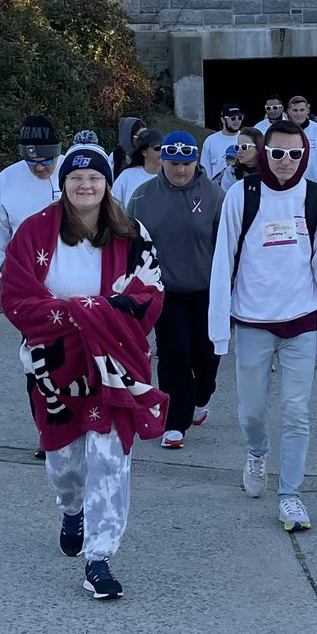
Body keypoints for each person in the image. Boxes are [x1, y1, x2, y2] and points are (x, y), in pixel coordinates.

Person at [1, 145, 167, 600]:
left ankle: (99, 558)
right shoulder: (35, 232)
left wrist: (99, 314)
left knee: (109, 456)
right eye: (76, 178)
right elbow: (16, 296)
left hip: (112, 360)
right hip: (55, 362)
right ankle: (71, 508)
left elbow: (151, 291)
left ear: (107, 183)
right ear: (64, 184)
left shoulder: (131, 233)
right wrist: (77, 315)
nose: (85, 185)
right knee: (64, 460)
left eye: (94, 177)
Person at [208, 120, 317, 532]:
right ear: (263, 153)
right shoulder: (241, 195)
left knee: (297, 412)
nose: (286, 161)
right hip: (252, 322)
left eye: (295, 154)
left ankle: (290, 495)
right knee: (251, 411)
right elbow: (222, 262)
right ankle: (256, 452)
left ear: (306, 155)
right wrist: (219, 330)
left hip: (302, 323)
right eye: (278, 153)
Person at [127, 132, 226, 449]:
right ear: (162, 161)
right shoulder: (142, 197)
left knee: (206, 356)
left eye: (186, 164)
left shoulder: (215, 196)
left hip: (205, 290)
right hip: (163, 292)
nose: (180, 170)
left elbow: (227, 247)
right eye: (173, 163)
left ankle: (201, 397)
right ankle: (174, 423)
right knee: (174, 353)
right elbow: (129, 244)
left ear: (196, 162)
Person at [0, 114, 64, 458]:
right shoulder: (8, 180)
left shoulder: (76, 173)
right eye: (32, 162)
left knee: (76, 360)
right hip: (30, 288)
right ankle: (48, 432)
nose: (40, 168)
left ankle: (81, 426)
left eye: (46, 160)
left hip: (77, 284)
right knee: (37, 362)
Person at [111, 129, 162, 207]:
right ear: (144, 152)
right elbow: (113, 205)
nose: (161, 152)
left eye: (164, 148)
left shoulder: (170, 177)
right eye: (157, 148)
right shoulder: (127, 176)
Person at [201, 103, 244, 180]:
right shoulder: (210, 141)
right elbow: (205, 169)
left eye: (240, 118)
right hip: (217, 185)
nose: (237, 121)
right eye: (233, 118)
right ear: (223, 120)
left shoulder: (245, 138)